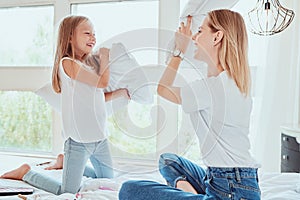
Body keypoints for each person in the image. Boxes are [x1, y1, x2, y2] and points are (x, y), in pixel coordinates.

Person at [119, 9, 261, 200]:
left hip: (231, 191)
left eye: (200, 31)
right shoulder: (228, 81)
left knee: (129, 189)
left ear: (217, 37)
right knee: (169, 161)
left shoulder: (214, 87)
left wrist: (179, 52)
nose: (194, 37)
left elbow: (163, 89)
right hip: (232, 182)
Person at [1, 15, 130, 195]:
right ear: (69, 37)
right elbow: (102, 82)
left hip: (100, 139)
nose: (93, 37)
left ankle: (65, 163)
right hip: (78, 142)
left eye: (94, 33)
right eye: (87, 33)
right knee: (67, 192)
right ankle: (27, 172)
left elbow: (98, 96)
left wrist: (120, 94)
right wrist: (105, 57)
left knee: (108, 181)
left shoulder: (88, 65)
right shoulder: (68, 63)